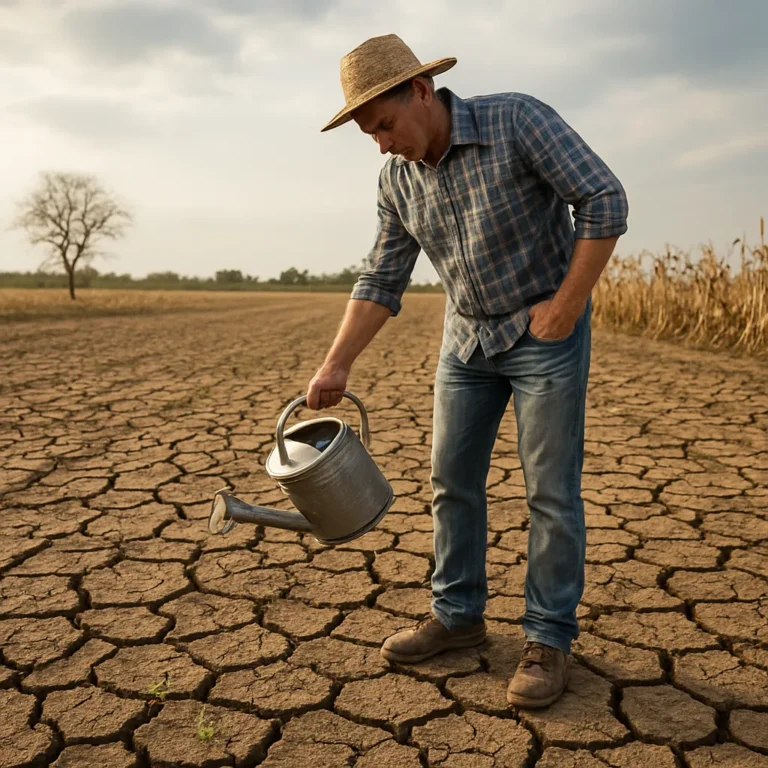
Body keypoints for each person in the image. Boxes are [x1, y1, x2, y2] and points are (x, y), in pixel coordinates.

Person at [306, 33, 628, 709]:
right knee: (451, 481)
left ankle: (547, 639)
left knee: (549, 492)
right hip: (467, 343)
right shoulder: (396, 180)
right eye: (369, 135)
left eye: (385, 125)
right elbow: (381, 277)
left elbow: (604, 199)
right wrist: (337, 363)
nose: (382, 144)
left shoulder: (517, 121)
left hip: (545, 332)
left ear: (421, 91)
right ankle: (457, 616)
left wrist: (567, 307)